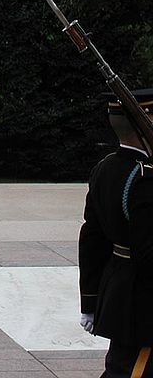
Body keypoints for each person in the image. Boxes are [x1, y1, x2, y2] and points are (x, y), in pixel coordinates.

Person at [80, 89, 153, 377]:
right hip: (145, 302)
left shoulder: (104, 169)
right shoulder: (146, 179)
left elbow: (92, 241)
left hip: (120, 295)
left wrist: (90, 300)